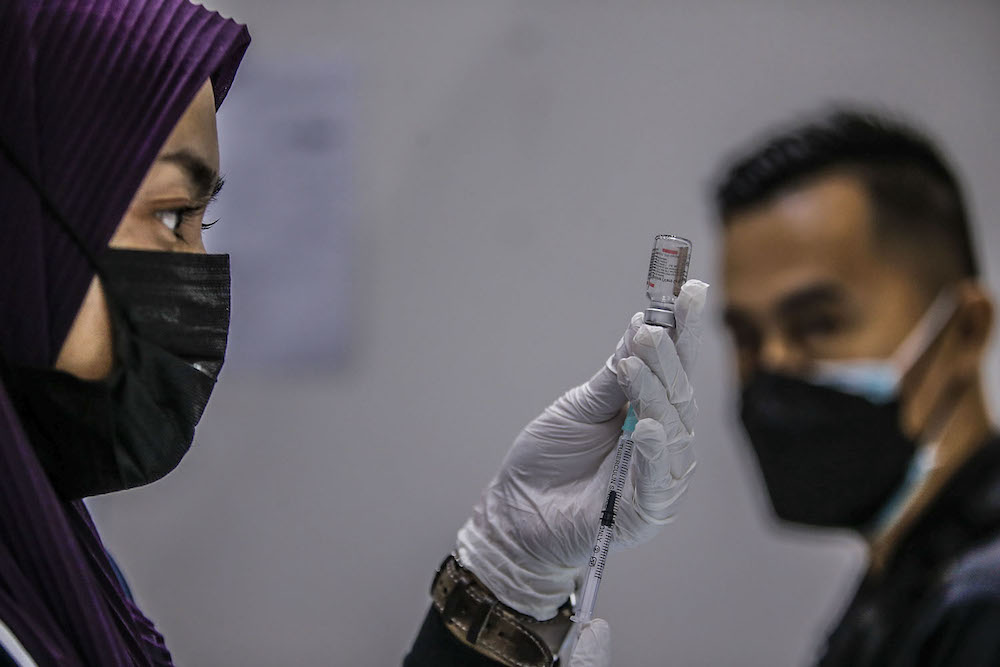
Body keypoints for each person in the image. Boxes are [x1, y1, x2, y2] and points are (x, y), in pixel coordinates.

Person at [0, 1, 705, 665]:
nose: (200, 270)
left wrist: (505, 576)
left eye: (204, 224)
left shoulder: (45, 550)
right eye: (174, 216)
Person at [717, 109, 1000, 665]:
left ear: (965, 333)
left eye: (818, 323)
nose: (772, 367)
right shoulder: (905, 585)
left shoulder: (983, 607)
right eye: (747, 336)